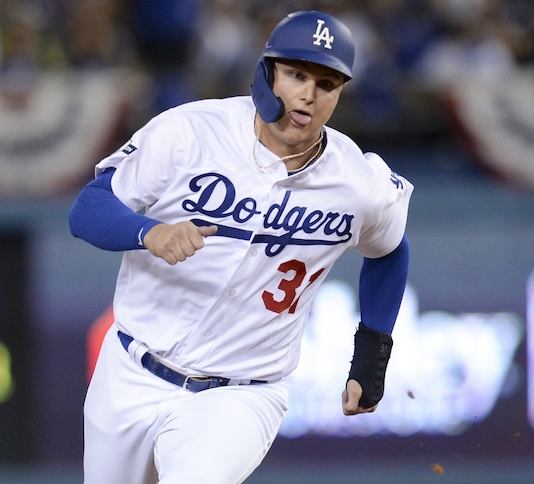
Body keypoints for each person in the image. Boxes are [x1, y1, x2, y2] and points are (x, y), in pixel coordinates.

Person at [69, 10, 413, 484]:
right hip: (130, 372)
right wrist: (148, 232)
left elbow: (391, 249)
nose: (308, 95)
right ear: (267, 71)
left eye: (327, 83)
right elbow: (88, 208)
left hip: (241, 395)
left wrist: (372, 354)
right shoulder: (189, 132)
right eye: (296, 75)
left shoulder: (359, 182)